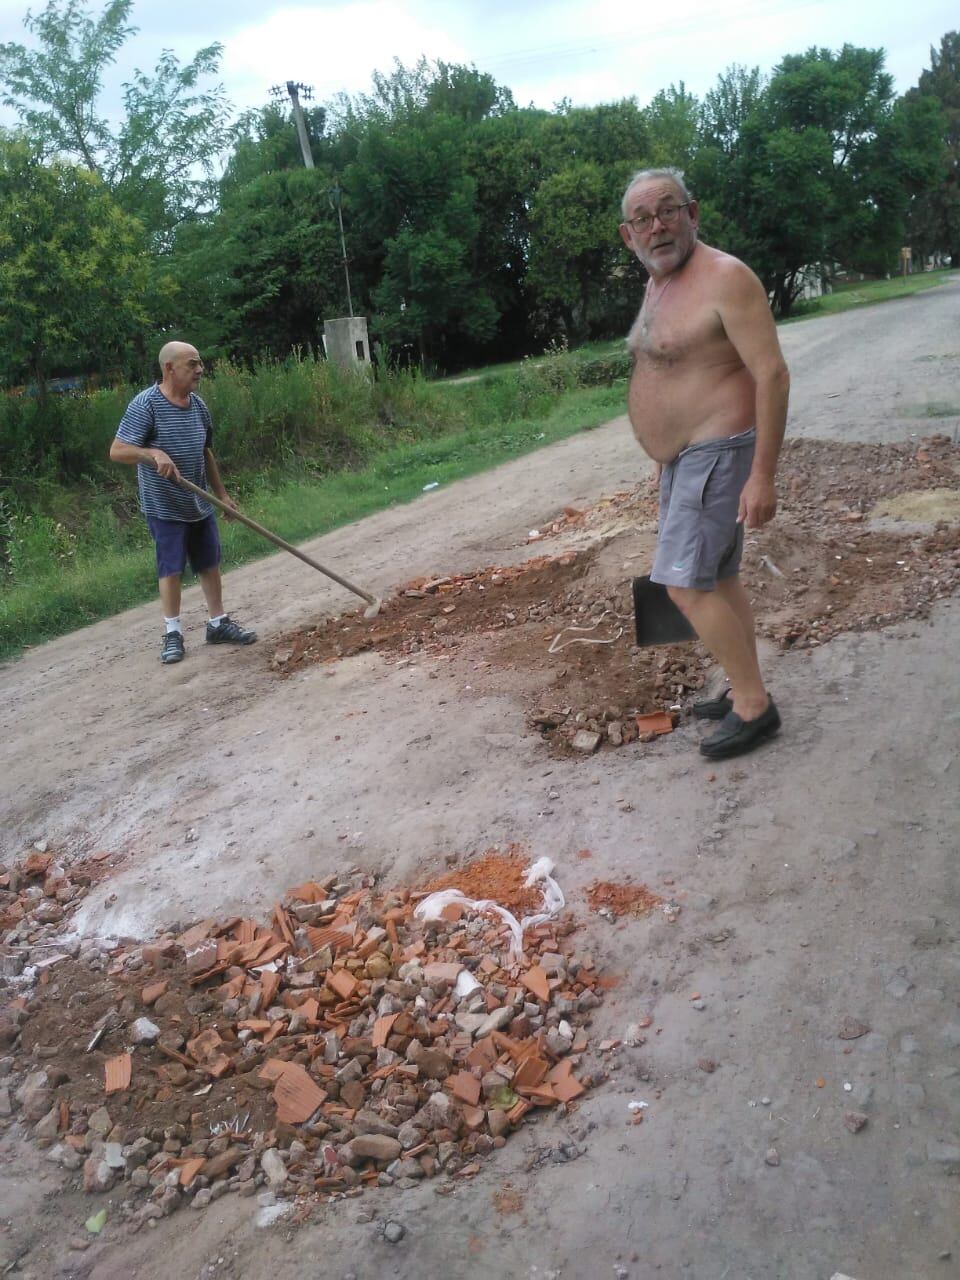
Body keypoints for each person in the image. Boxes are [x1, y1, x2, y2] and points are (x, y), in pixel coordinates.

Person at [619, 168, 790, 759]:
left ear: (693, 212)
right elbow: (672, 370)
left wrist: (762, 474)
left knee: (682, 587)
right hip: (686, 460)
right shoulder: (659, 281)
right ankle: (747, 685)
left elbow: (770, 372)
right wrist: (663, 454)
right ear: (628, 235)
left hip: (719, 454)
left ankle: (754, 708)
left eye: (668, 210)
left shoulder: (726, 277)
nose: (657, 225)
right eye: (643, 218)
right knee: (719, 578)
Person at [110, 341, 257, 664]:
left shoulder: (198, 406)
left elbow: (206, 452)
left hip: (198, 502)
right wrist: (152, 453)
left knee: (209, 563)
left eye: (200, 363)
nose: (200, 369)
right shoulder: (145, 405)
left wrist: (223, 496)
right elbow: (118, 450)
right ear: (169, 368)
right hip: (164, 506)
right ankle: (173, 633)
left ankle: (218, 624)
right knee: (171, 568)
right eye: (192, 364)